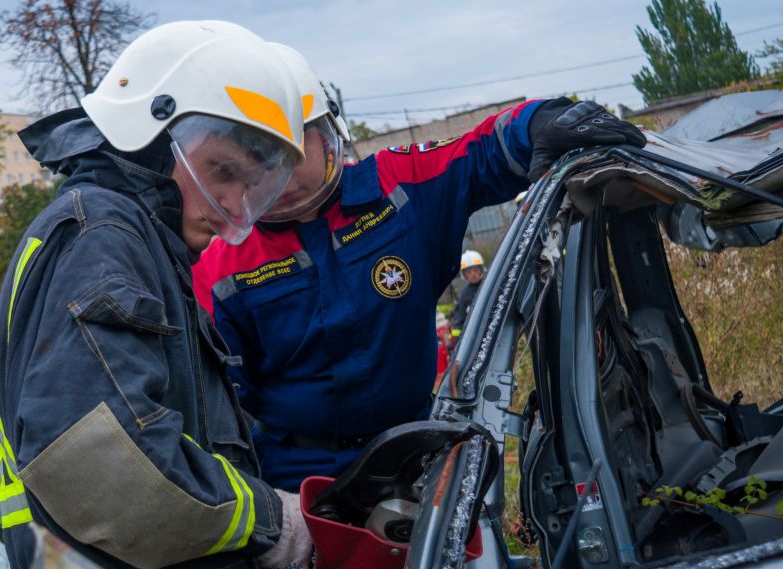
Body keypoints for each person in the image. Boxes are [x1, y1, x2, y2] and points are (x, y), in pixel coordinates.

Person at [193, 47, 646, 493]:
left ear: (325, 132)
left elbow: (484, 150)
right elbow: (214, 407)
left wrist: (541, 120)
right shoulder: (219, 267)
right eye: (260, 161)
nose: (281, 178)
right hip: (300, 481)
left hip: (417, 453)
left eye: (292, 152)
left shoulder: (398, 187)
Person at [0, 21, 316, 569]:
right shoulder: (103, 239)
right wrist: (272, 521)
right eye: (222, 172)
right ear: (153, 133)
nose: (234, 210)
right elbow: (103, 464)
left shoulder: (132, 238)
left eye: (252, 189)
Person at [449, 249, 486, 330]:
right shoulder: (464, 294)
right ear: (464, 274)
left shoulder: (489, 284)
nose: (473, 274)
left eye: (476, 270)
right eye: (469, 272)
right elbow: (460, 319)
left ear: (481, 269)